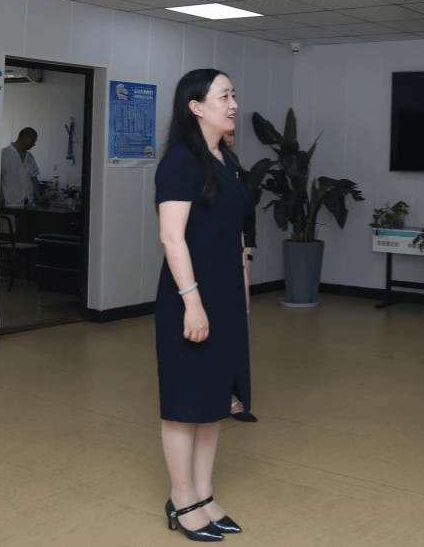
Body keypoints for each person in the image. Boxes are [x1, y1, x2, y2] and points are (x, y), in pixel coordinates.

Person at [155, 69, 251, 541]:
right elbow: (172, 237)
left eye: (233, 95)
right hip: (189, 296)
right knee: (184, 402)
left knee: (214, 402)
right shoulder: (180, 161)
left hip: (226, 295)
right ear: (196, 107)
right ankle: (181, 499)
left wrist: (243, 287)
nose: (233, 104)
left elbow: (234, 231)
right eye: (224, 96)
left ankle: (204, 494)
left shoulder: (225, 159)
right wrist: (192, 303)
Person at [221, 131, 258, 423]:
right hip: (208, 263)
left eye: (233, 133)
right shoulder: (192, 166)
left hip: (237, 259)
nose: (230, 137)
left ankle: (232, 395)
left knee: (235, 330)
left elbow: (247, 222)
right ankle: (221, 396)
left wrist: (246, 265)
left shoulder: (236, 170)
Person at [0, 127, 39, 207]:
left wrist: (38, 197)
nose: (34, 144)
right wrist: (0, 197)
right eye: (33, 141)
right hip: (10, 203)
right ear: (25, 138)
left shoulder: (30, 157)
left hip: (28, 203)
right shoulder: (3, 154)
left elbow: (33, 178)